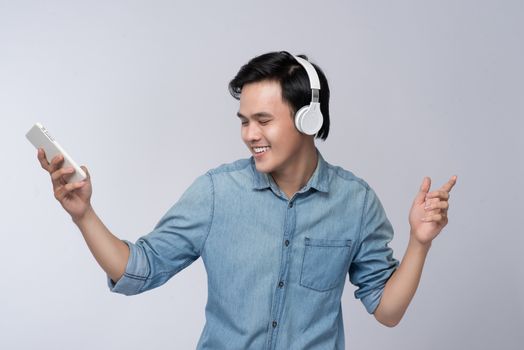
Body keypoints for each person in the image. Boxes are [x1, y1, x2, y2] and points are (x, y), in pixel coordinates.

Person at [37, 51, 457, 349]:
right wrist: (83, 214)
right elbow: (137, 270)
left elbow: (386, 310)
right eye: (244, 121)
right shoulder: (217, 193)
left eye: (263, 120)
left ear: (308, 118)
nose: (250, 134)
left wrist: (419, 243)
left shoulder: (356, 202)